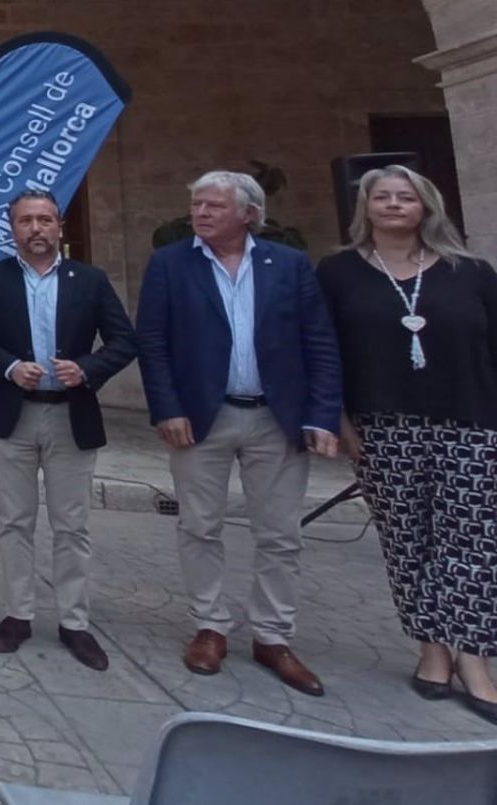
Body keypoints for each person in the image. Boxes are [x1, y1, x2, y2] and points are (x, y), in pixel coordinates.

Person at [135, 170, 342, 696]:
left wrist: (321, 414)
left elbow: (318, 341)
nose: (201, 214)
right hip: (202, 417)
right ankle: (210, 625)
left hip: (276, 416)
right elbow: (153, 342)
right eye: (197, 205)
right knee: (199, 525)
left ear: (249, 213)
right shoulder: (171, 263)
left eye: (214, 206)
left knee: (280, 532)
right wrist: (167, 408)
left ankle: (273, 635)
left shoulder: (289, 265)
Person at [317, 165, 497, 723]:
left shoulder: (471, 272)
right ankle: (430, 651)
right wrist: (338, 418)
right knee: (406, 540)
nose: (394, 205)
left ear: (427, 207)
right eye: (382, 197)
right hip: (384, 424)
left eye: (406, 197)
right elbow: (325, 350)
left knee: (472, 542)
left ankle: (474, 659)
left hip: (470, 421)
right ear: (365, 207)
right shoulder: (339, 272)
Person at [0, 190, 137, 670]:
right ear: (12, 229)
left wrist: (89, 368)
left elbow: (124, 340)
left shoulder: (89, 281)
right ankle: (18, 614)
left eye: (45, 220)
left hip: (70, 414)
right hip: (12, 413)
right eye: (25, 221)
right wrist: (9, 365)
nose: (36, 229)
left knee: (71, 525)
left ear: (59, 227)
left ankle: (74, 621)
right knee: (15, 521)